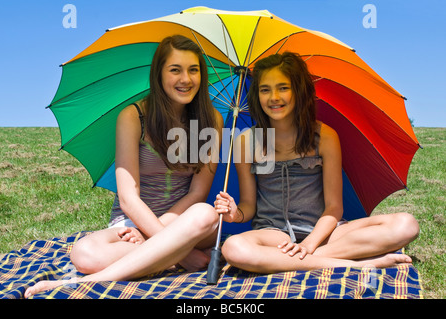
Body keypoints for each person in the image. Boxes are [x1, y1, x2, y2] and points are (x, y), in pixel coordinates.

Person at [25, 35, 224, 297]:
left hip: (185, 223)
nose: (186, 79)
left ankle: (91, 280)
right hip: (132, 223)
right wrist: (176, 249)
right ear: (159, 74)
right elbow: (129, 198)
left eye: (193, 70)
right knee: (84, 254)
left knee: (205, 213)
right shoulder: (134, 116)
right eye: (175, 69)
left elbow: (197, 193)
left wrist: (162, 237)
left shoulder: (212, 120)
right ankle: (171, 259)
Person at [214, 52, 419, 274]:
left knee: (406, 224)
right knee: (234, 248)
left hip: (325, 233)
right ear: (256, 95)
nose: (274, 97)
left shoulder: (325, 137)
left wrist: (309, 245)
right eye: (265, 89)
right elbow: (249, 206)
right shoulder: (245, 141)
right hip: (273, 234)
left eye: (283, 87)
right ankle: (356, 264)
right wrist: (235, 214)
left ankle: (290, 261)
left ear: (299, 91)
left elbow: (334, 207)